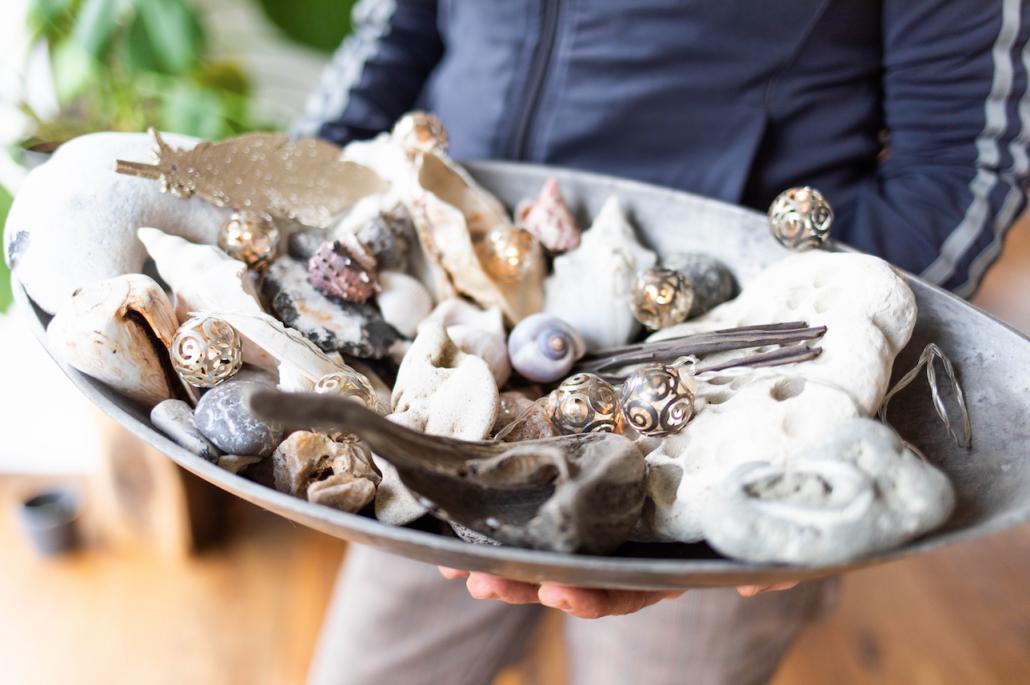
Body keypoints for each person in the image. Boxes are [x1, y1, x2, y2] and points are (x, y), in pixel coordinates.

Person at [293, 2, 1030, 684]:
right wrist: (288, 230)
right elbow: (395, 34)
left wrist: (834, 374)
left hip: (721, 391)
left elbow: (961, 163)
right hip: (441, 367)